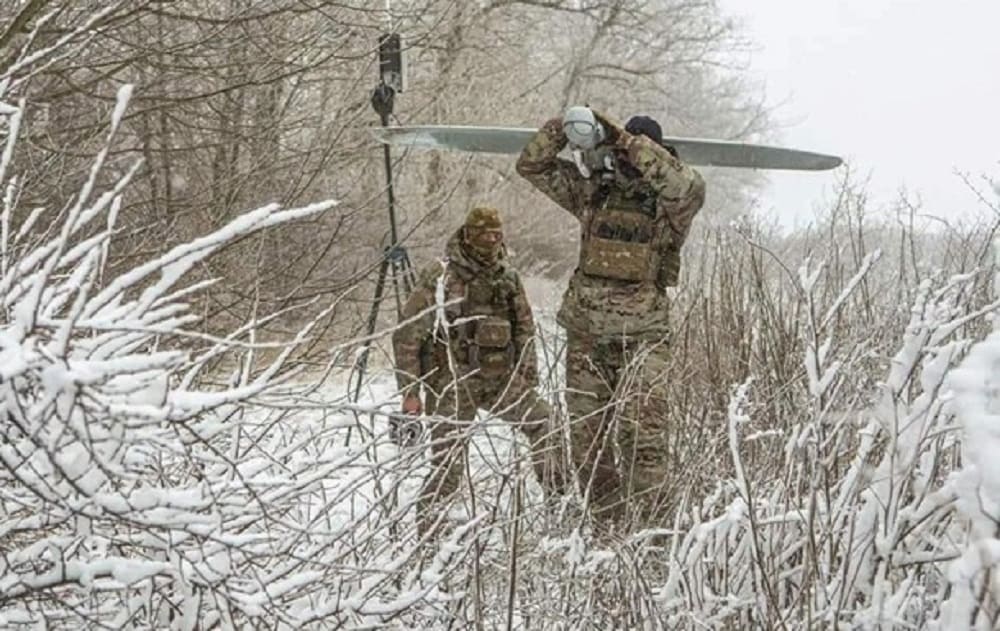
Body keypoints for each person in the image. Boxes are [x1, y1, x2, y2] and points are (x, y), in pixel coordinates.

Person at [515, 108, 706, 531]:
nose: (628, 160)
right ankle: (608, 533)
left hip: (644, 338)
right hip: (587, 336)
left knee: (645, 442)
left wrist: (626, 140)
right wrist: (563, 126)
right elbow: (531, 164)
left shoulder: (673, 202)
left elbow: (685, 185)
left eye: (638, 151)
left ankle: (653, 536)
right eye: (624, 151)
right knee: (588, 443)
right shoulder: (592, 192)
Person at [392, 206, 562, 536]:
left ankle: (559, 507)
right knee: (447, 465)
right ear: (468, 235)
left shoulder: (507, 277)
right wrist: (411, 393)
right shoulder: (440, 278)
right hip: (454, 383)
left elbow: (525, 330)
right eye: (484, 235)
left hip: (500, 381)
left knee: (546, 423)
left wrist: (527, 377)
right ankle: (431, 534)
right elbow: (408, 334)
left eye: (496, 235)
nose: (491, 241)